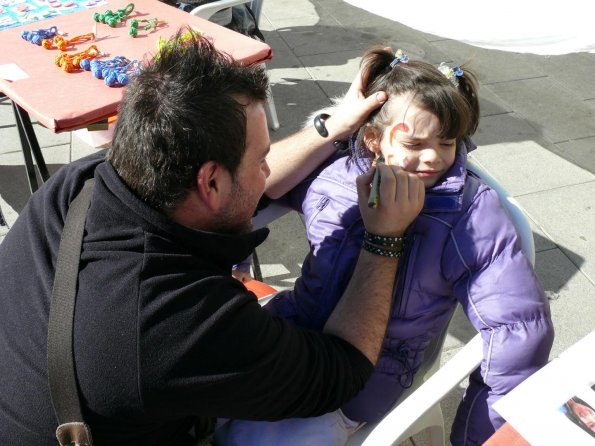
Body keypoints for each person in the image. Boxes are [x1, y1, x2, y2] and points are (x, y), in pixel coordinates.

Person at [0, 31, 427, 446]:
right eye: (261, 160)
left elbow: (236, 192)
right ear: (210, 181)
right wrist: (384, 239)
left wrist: (327, 126)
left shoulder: (82, 182)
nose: (267, 173)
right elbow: (342, 373)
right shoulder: (182, 325)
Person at [222, 47, 555, 445]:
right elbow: (249, 196)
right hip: (292, 336)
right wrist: (233, 257)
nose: (434, 158)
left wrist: (479, 436)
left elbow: (517, 331)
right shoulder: (337, 173)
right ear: (374, 140)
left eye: (447, 143)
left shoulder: (468, 214)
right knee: (190, 404)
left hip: (364, 384)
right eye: (414, 145)